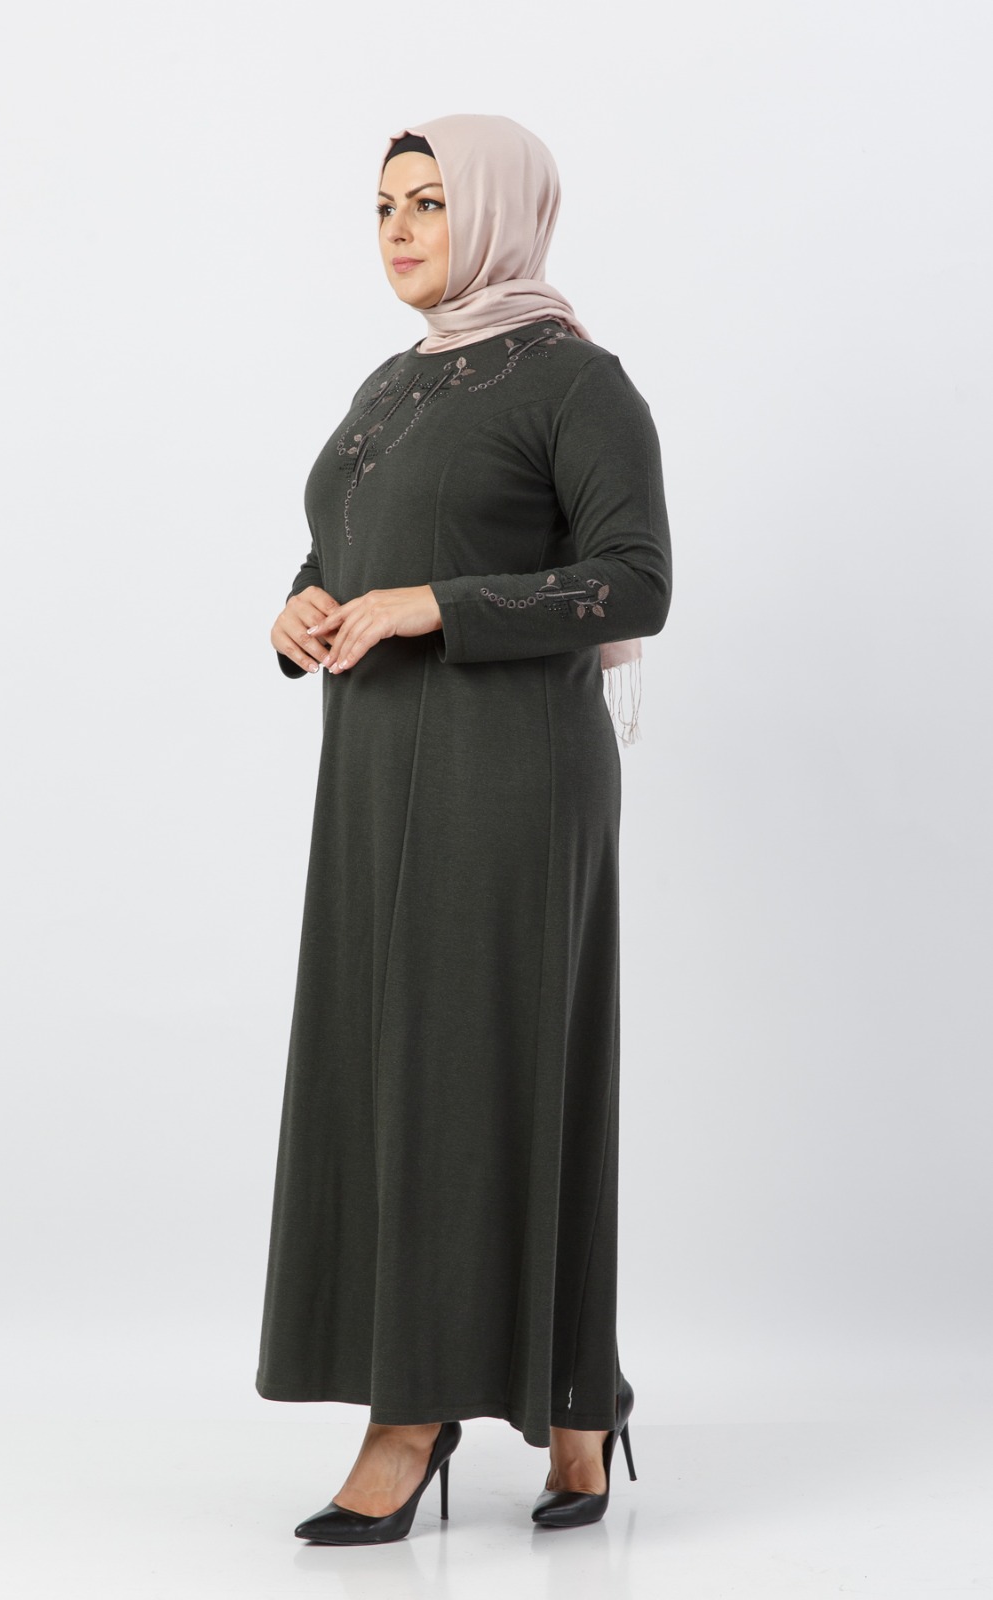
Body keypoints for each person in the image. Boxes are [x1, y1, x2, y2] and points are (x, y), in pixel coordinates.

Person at [257, 113, 673, 1545]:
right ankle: (576, 1391)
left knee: (477, 1071)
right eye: (384, 204)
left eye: (431, 202)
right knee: (384, 1070)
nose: (399, 228)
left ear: (497, 212)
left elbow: (633, 581)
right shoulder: (394, 380)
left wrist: (432, 607)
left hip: (509, 773)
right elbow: (352, 546)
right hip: (375, 766)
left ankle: (417, 1413)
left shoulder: (575, 379)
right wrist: (305, 603)